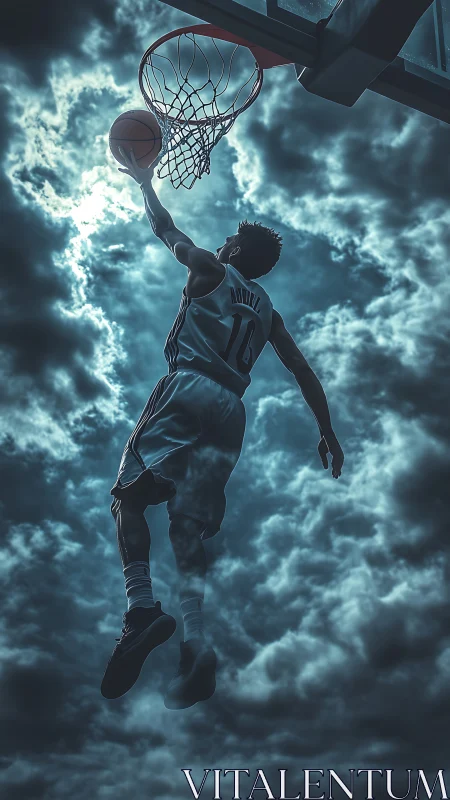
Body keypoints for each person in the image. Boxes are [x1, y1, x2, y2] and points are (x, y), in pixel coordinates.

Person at [101, 147, 344, 708]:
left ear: (233, 250)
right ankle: (196, 642)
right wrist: (327, 430)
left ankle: (141, 610)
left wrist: (144, 181)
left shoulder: (210, 269)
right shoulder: (267, 311)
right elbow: (301, 369)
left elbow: (165, 229)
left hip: (188, 388)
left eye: (229, 237)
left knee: (129, 498)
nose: (223, 241)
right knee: (186, 527)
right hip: (231, 412)